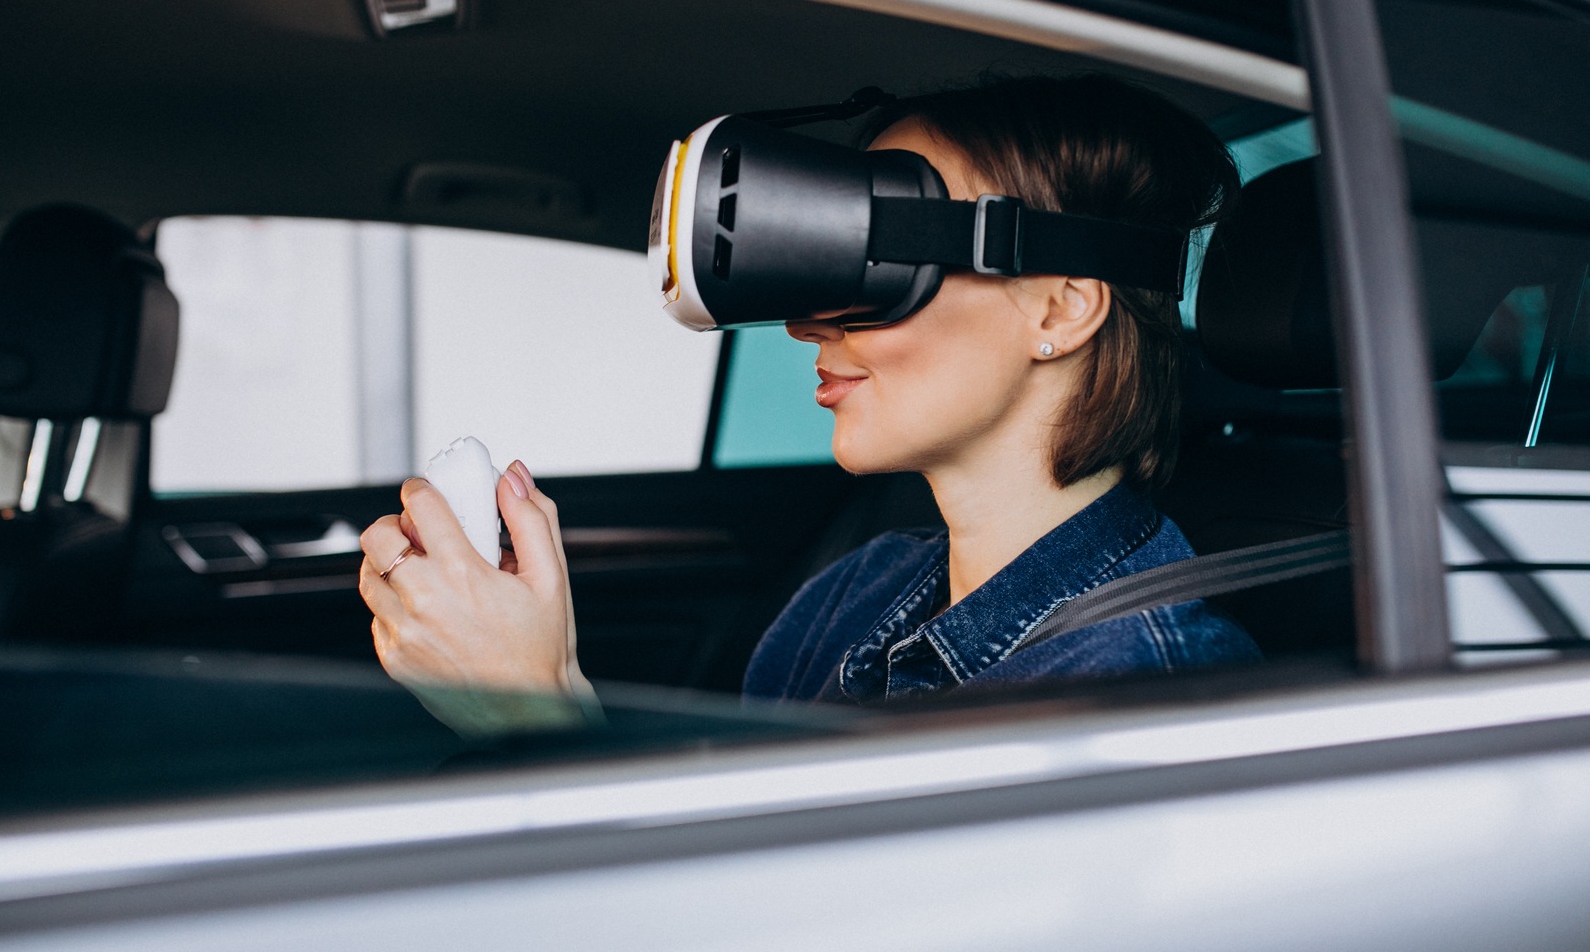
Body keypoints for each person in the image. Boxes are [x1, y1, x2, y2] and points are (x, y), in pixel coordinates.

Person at [359, 74, 1261, 736]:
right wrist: (543, 682)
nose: (809, 326)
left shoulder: (1137, 704)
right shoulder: (857, 591)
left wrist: (537, 721)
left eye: (877, 264)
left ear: (1062, 307)